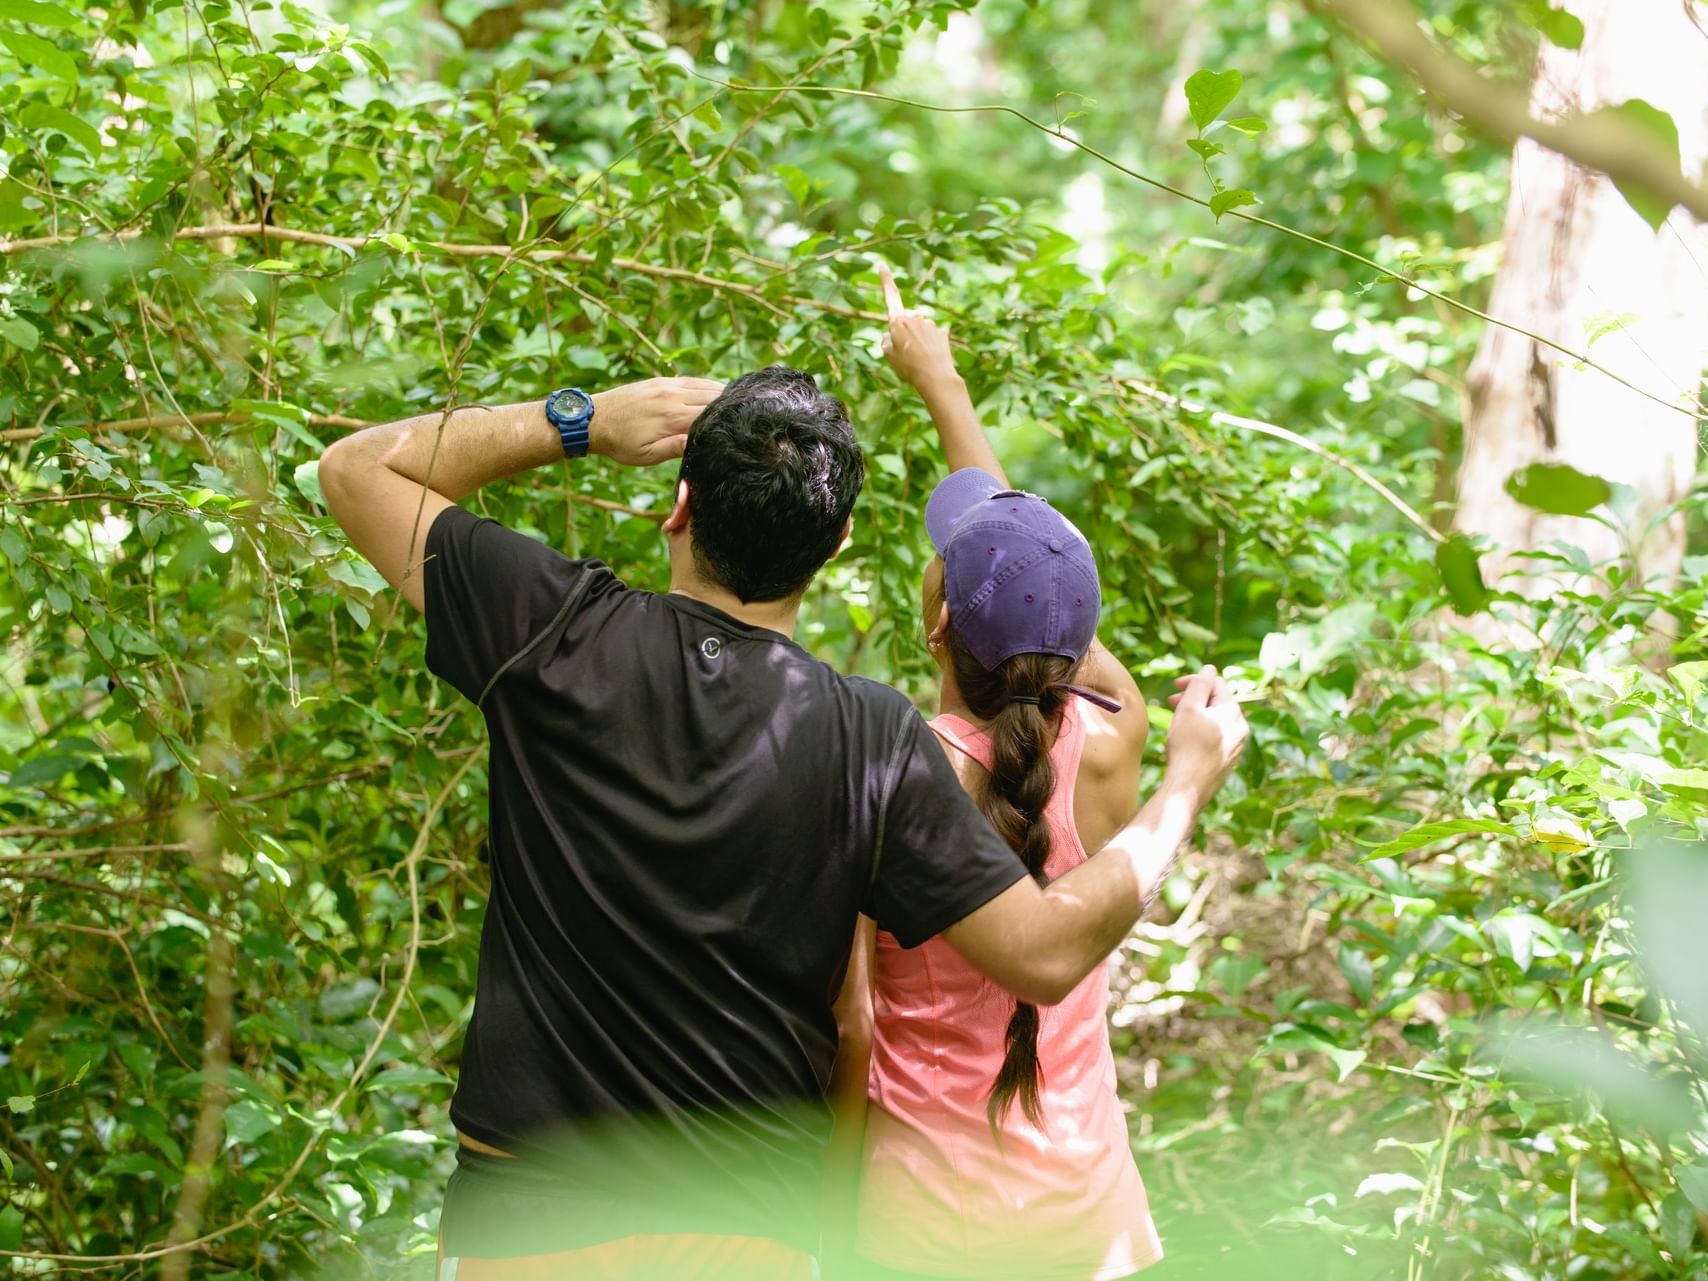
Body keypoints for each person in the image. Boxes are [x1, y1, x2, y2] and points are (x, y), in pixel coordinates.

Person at [316, 356, 1247, 1280]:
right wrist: (1183, 788)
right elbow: (1041, 954)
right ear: (836, 542)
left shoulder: (551, 630)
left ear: (677, 504)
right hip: (744, 1232)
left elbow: (357, 470)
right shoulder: (871, 740)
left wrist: (586, 420)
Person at [825, 267, 1234, 1281]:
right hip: (1085, 1218)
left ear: (933, 627)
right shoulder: (1114, 730)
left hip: (923, 1228)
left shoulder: (892, 775)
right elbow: (1034, 578)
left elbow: (853, 1023)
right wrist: (943, 386)